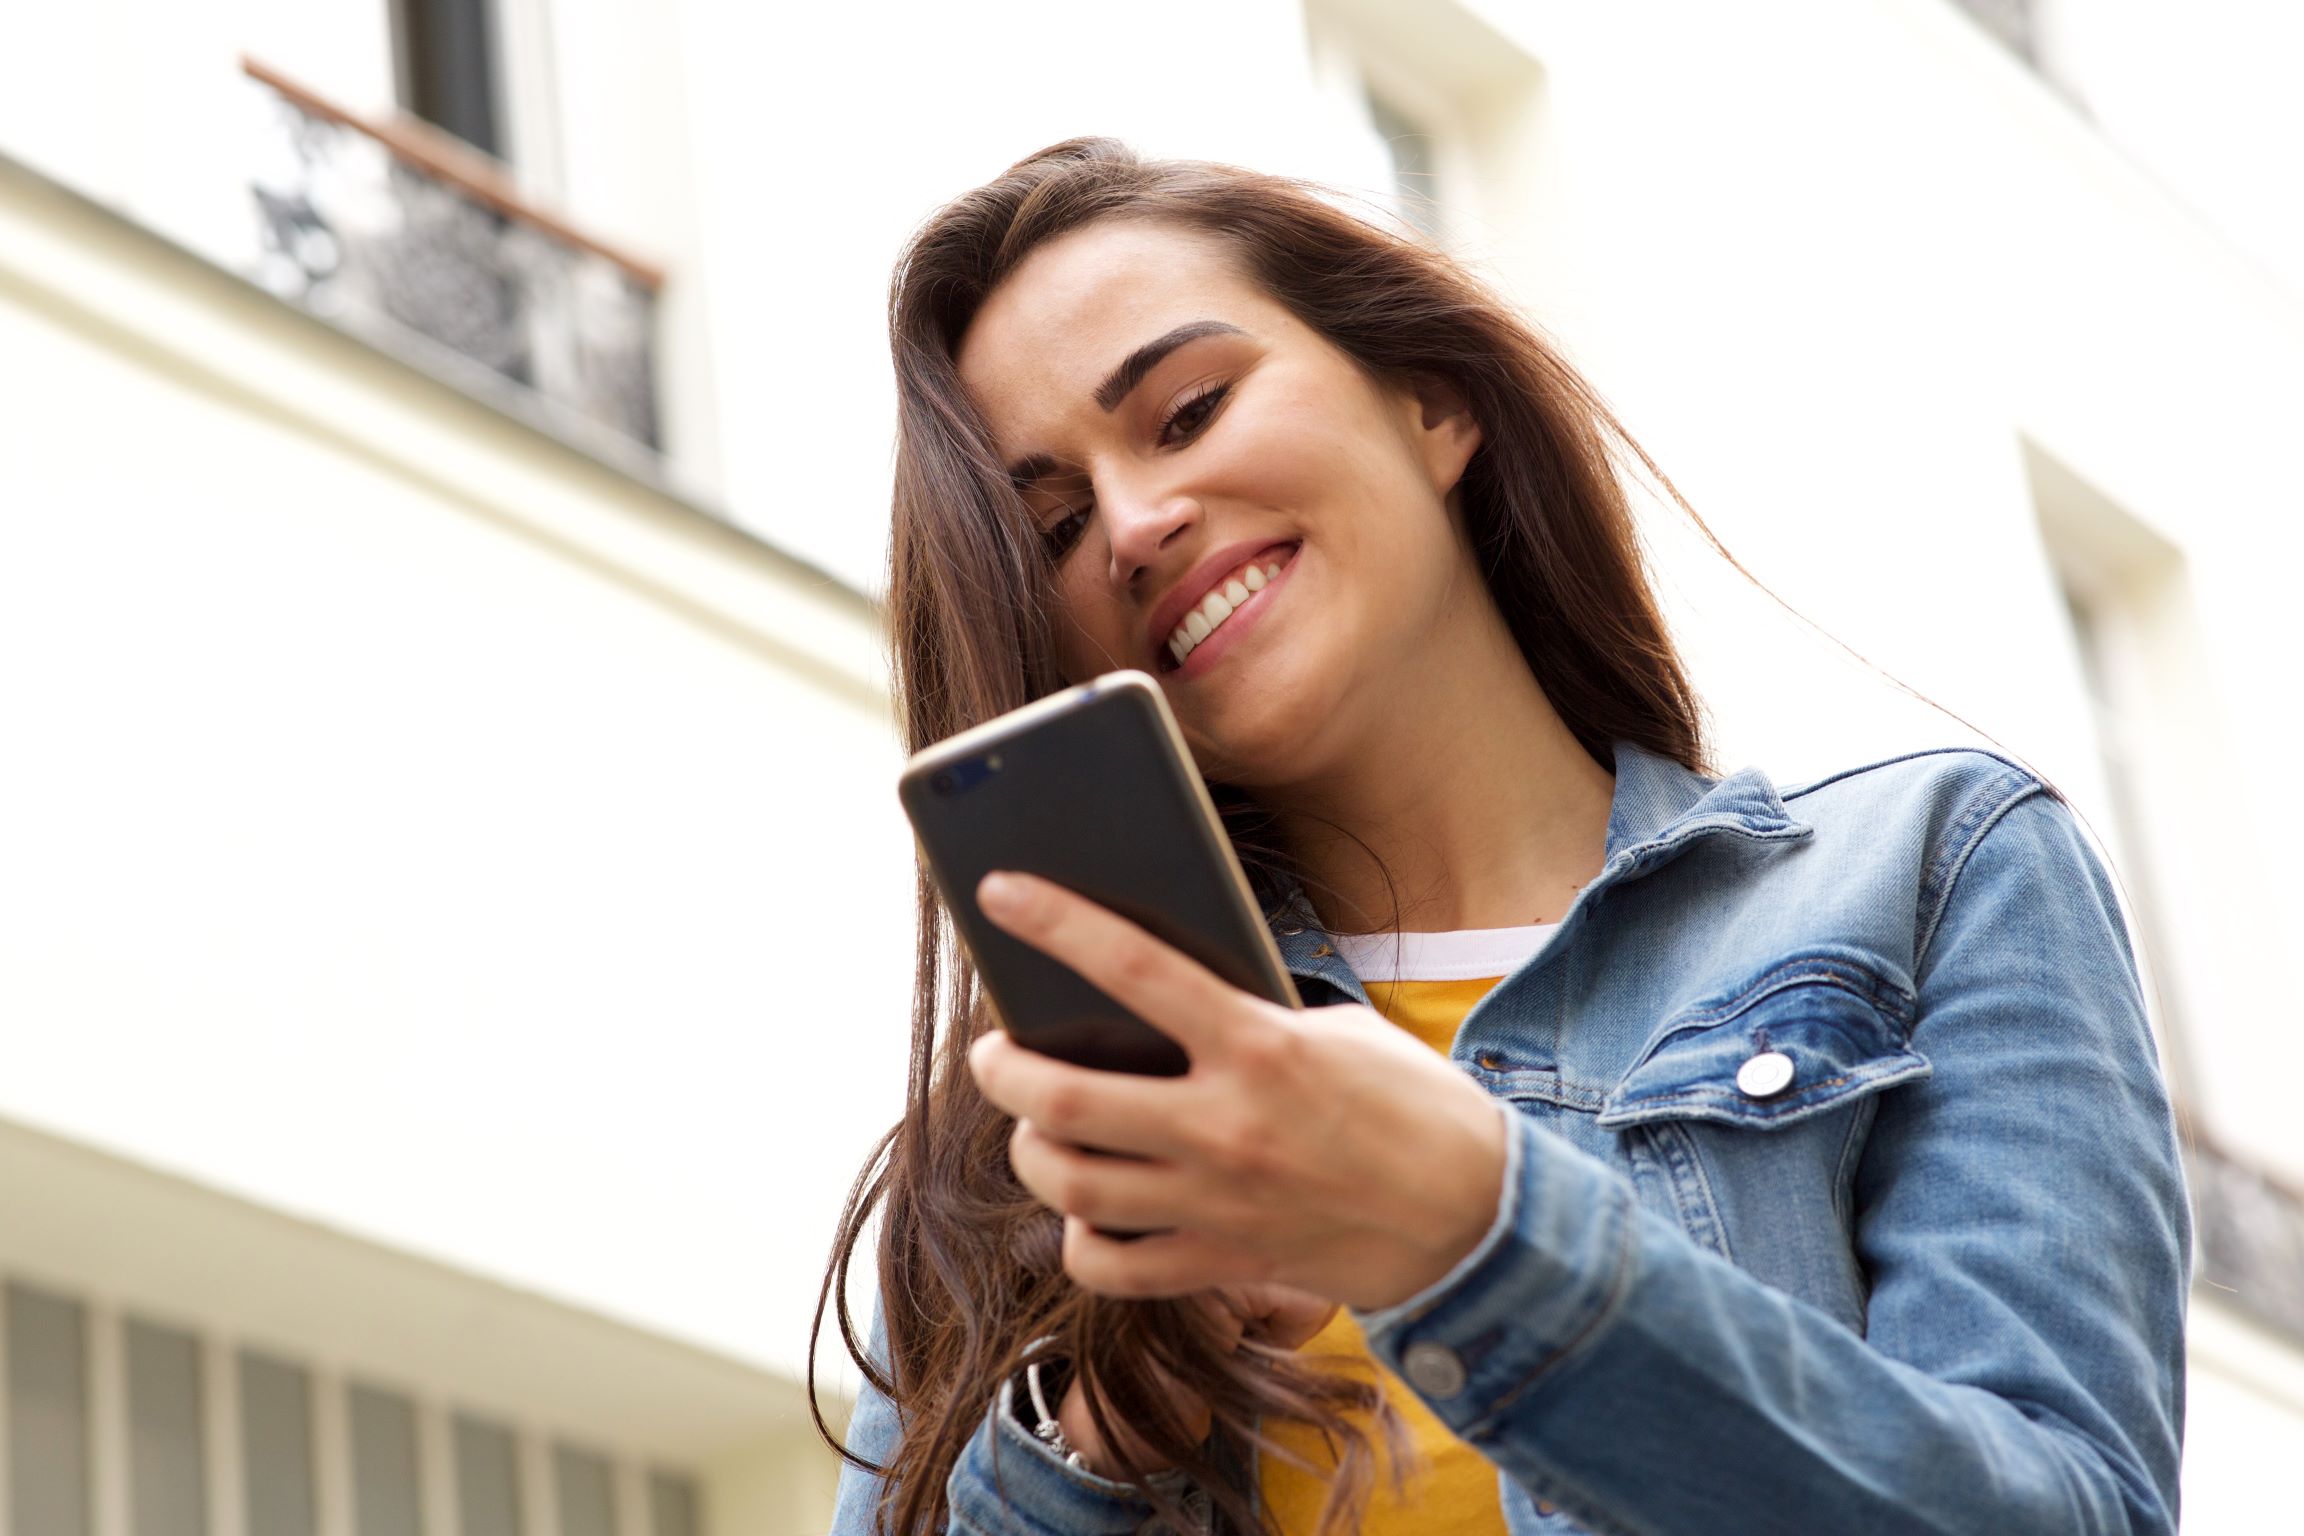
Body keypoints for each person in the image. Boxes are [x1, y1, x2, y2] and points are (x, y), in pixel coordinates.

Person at [814, 138, 2188, 1536]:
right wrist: (1110, 1425)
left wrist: (1478, 1237)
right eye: (1051, 528)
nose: (1135, 524)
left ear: (1431, 401)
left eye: (1188, 412)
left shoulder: (1929, 872)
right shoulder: (1034, 1154)